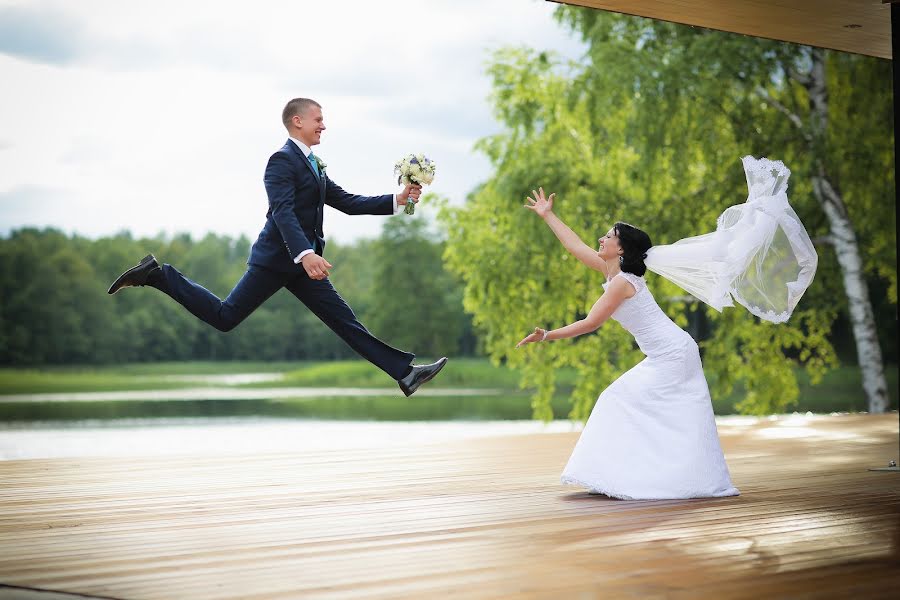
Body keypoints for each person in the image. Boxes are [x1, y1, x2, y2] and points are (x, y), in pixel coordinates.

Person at [107, 97, 447, 397]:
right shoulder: (281, 161)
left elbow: (346, 201)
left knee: (346, 322)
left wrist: (397, 200)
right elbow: (282, 211)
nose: (324, 126)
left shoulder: (313, 164)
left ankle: (405, 373)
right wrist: (306, 253)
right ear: (297, 121)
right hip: (278, 259)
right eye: (319, 119)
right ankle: (158, 275)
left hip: (301, 264)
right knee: (225, 318)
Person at [517, 187, 739, 500]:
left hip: (673, 353)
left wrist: (547, 335)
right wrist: (548, 215)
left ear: (621, 249)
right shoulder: (614, 274)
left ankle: (635, 476)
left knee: (617, 399)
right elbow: (575, 246)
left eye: (609, 236)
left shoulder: (621, 283)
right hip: (670, 352)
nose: (601, 239)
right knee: (638, 405)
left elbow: (591, 323)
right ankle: (639, 474)